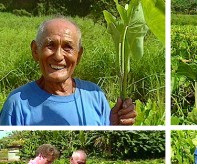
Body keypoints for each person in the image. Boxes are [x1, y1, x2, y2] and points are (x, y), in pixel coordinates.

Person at [0, 17, 136, 126]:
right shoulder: (17, 104)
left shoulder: (95, 95)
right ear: (35, 51)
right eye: (50, 45)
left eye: (68, 47)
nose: (58, 56)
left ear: (79, 55)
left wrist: (116, 126)